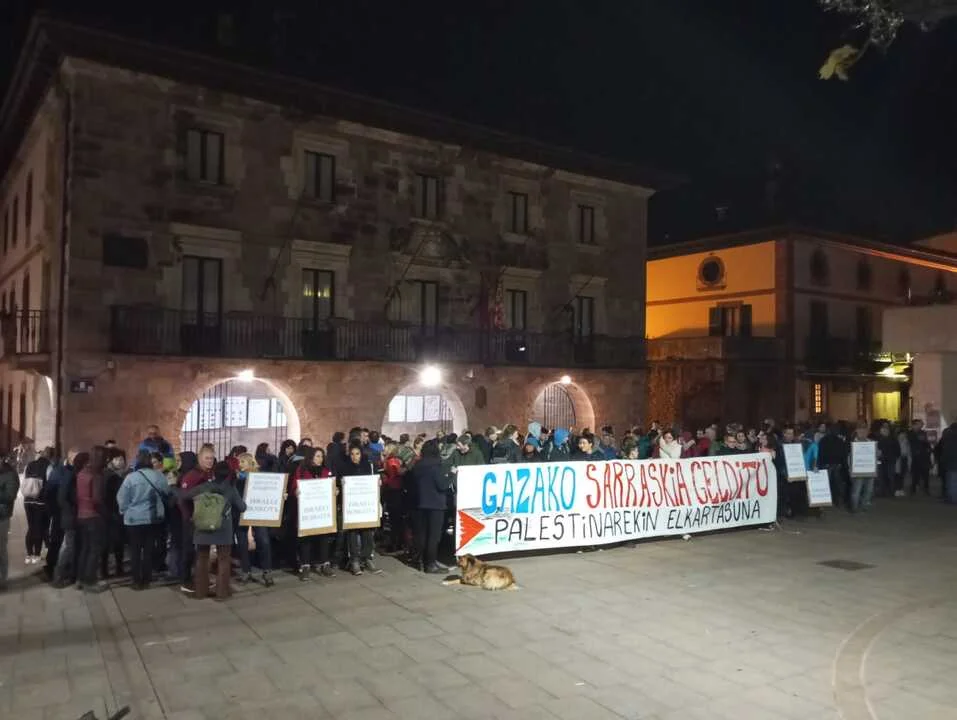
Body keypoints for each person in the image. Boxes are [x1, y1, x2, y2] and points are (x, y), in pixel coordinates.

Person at [178, 461, 246, 600]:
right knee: (223, 559)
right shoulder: (231, 489)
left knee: (202, 558)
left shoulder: (204, 486)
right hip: (223, 528)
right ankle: (222, 593)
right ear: (228, 474)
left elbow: (185, 496)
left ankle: (200, 591)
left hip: (203, 526)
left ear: (214, 473)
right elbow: (242, 507)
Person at [118, 450, 173, 590]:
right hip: (152, 518)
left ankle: (136, 580)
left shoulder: (130, 478)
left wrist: (124, 510)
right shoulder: (158, 476)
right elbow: (167, 492)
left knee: (135, 550)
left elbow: (122, 498)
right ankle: (147, 578)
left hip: (133, 519)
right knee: (149, 549)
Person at [288, 447, 336, 581]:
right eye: (317, 456)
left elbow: (331, 486)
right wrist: (296, 491)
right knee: (306, 539)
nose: (320, 459)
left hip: (322, 511)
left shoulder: (326, 471)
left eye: (321, 456)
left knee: (324, 537)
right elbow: (293, 487)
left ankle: (325, 563)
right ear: (311, 457)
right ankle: (305, 566)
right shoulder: (302, 471)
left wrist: (335, 491)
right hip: (307, 512)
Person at [234, 452, 276, 586]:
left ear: (250, 462)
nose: (240, 464)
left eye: (243, 461)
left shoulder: (259, 477)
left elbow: (269, 492)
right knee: (242, 542)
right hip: (241, 513)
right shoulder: (236, 478)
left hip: (258, 513)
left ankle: (267, 571)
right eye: (239, 462)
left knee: (263, 541)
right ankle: (246, 571)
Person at [408, 440, 450, 574]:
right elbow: (442, 485)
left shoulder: (417, 466)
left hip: (419, 503)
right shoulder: (437, 466)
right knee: (433, 536)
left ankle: (419, 560)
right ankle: (430, 563)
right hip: (435, 504)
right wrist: (452, 475)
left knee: (421, 534)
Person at [178, 446, 215, 594]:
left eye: (211, 458)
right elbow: (182, 498)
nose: (210, 461)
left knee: (202, 551)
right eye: (207, 458)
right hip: (192, 520)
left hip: (204, 519)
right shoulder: (192, 476)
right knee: (189, 550)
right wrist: (188, 516)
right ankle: (185, 581)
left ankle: (201, 578)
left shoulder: (209, 474)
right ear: (200, 458)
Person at [339, 443, 379, 575]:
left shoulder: (367, 466)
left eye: (357, 454)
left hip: (365, 505)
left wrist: (377, 483)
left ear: (361, 454)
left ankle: (367, 558)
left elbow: (372, 481)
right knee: (353, 532)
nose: (354, 457)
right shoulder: (345, 467)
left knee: (367, 531)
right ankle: (354, 560)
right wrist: (341, 483)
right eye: (352, 454)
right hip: (352, 506)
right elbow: (339, 482)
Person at [76, 446, 109, 593]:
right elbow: (97, 499)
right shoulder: (96, 475)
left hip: (81, 515)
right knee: (94, 550)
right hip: (93, 516)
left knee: (85, 548)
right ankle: (90, 581)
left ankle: (80, 579)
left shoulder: (82, 472)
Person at [53, 451, 87, 588]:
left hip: (77, 517)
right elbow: (62, 498)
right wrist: (73, 509)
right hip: (71, 518)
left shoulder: (77, 475)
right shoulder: (71, 475)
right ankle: (59, 576)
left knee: (74, 547)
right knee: (68, 547)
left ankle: (73, 575)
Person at [22, 447, 54, 566]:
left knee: (31, 527)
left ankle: (28, 554)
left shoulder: (29, 465)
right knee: (40, 528)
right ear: (50, 456)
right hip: (41, 501)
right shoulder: (49, 466)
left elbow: (25, 480)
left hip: (28, 500)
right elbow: (50, 484)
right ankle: (36, 554)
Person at [101, 449, 128, 578]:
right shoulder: (113, 477)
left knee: (108, 543)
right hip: (113, 514)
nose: (121, 462)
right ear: (110, 461)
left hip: (106, 513)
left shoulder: (106, 474)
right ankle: (117, 569)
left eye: (122, 459)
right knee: (116, 542)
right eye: (117, 459)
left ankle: (105, 570)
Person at [0, 454, 19, 591]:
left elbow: (10, 495)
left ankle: (2, 579)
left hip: (2, 516)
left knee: (1, 549)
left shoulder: (10, 474)